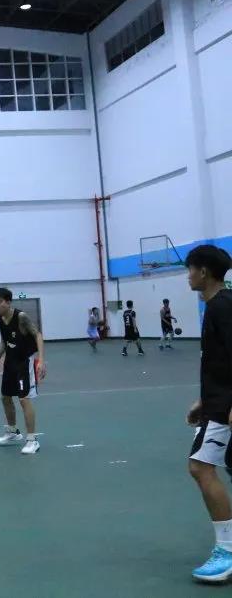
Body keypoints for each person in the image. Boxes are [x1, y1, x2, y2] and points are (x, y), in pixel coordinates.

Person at [184, 245, 232, 583]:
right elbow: (221, 362)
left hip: (225, 407)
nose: (188, 276)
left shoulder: (222, 307)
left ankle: (227, 551)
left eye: (190, 270)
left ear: (204, 272)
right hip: (216, 402)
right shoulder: (217, 306)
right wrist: (204, 400)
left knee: (200, 467)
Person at [0, 287, 46, 455]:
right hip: (10, 361)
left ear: (8, 302)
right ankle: (13, 432)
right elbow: (4, 340)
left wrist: (41, 360)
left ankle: (32, 440)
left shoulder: (21, 317)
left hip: (24, 361)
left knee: (24, 399)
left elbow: (38, 335)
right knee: (5, 397)